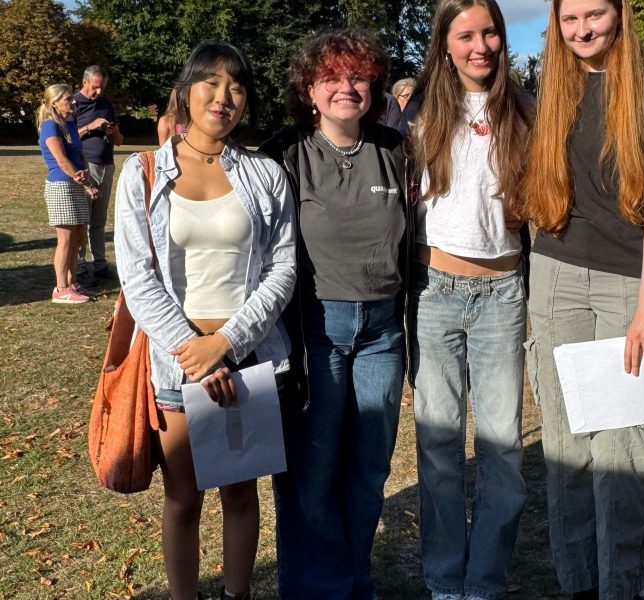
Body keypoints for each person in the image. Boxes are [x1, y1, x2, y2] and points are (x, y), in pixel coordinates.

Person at [518, 1, 644, 598]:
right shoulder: (554, 81)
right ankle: (578, 586)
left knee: (622, 445)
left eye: (594, 15)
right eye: (570, 20)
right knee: (566, 442)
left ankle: (622, 586)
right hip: (554, 272)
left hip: (627, 283)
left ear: (619, 14)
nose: (583, 30)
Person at [114, 41, 296, 600]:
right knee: (184, 497)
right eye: (211, 84)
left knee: (241, 495)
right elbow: (138, 276)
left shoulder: (265, 173)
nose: (223, 97)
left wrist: (227, 342)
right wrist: (192, 351)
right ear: (186, 90)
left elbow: (284, 268)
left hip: (249, 360)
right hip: (176, 366)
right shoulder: (143, 173)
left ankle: (236, 595)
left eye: (236, 86)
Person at [259, 29, 411, 599]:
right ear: (310, 90)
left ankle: (354, 578)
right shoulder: (282, 154)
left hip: (381, 332)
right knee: (311, 472)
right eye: (331, 78)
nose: (346, 87)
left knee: (369, 469)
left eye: (357, 76)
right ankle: (313, 587)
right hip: (314, 332)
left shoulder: (395, 150)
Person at [403, 1, 535, 597]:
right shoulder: (420, 110)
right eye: (466, 35)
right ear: (445, 43)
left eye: (489, 33)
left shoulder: (525, 108)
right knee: (438, 447)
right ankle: (443, 579)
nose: (480, 45)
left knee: (503, 448)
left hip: (503, 294)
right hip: (435, 293)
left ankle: (484, 582)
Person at [36, 83, 99, 304]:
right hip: (60, 186)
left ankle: (72, 284)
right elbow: (61, 160)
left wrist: (86, 180)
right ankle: (60, 288)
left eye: (72, 98)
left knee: (79, 236)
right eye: (67, 99)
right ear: (54, 103)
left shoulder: (70, 124)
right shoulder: (49, 126)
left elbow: (79, 155)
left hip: (75, 184)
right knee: (66, 238)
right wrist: (77, 176)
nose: (73, 102)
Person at [74, 65, 124, 288]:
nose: (99, 93)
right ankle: (81, 265)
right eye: (95, 88)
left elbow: (120, 141)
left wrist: (113, 132)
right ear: (85, 82)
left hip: (107, 165)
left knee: (99, 220)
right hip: (86, 166)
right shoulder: (73, 103)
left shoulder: (106, 104)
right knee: (83, 219)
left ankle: (100, 264)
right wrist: (89, 126)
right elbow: (66, 137)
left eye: (102, 88)